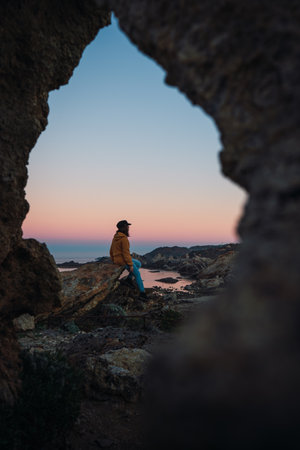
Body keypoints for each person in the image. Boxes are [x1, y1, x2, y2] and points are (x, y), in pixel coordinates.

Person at [110, 220, 147, 300]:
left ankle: (129, 279)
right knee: (137, 274)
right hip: (123, 260)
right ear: (123, 228)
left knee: (138, 263)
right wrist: (130, 265)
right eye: (127, 226)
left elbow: (111, 250)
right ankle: (142, 294)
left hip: (118, 259)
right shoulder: (124, 239)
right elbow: (126, 253)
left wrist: (114, 260)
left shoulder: (115, 237)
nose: (128, 228)